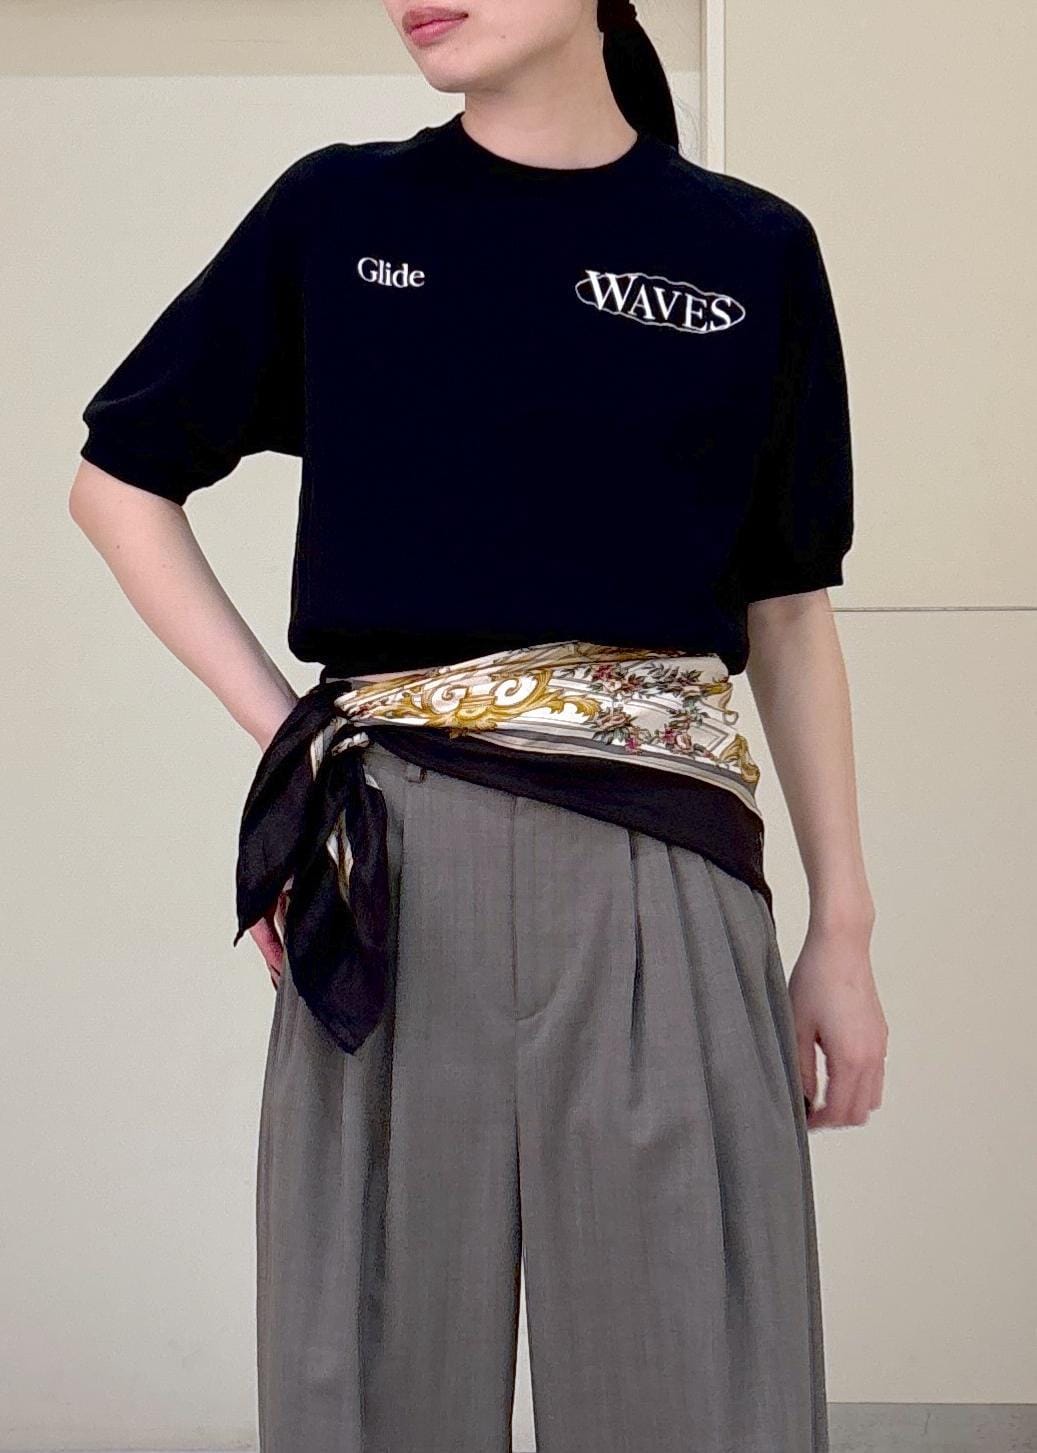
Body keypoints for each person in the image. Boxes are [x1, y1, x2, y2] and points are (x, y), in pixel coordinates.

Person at [68, 1, 888, 1449]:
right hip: (390, 866)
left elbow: (786, 604)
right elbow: (118, 483)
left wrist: (844, 928)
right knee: (370, 1378)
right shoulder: (340, 215)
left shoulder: (748, 250)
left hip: (663, 862)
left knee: (692, 1385)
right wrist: (295, 746)